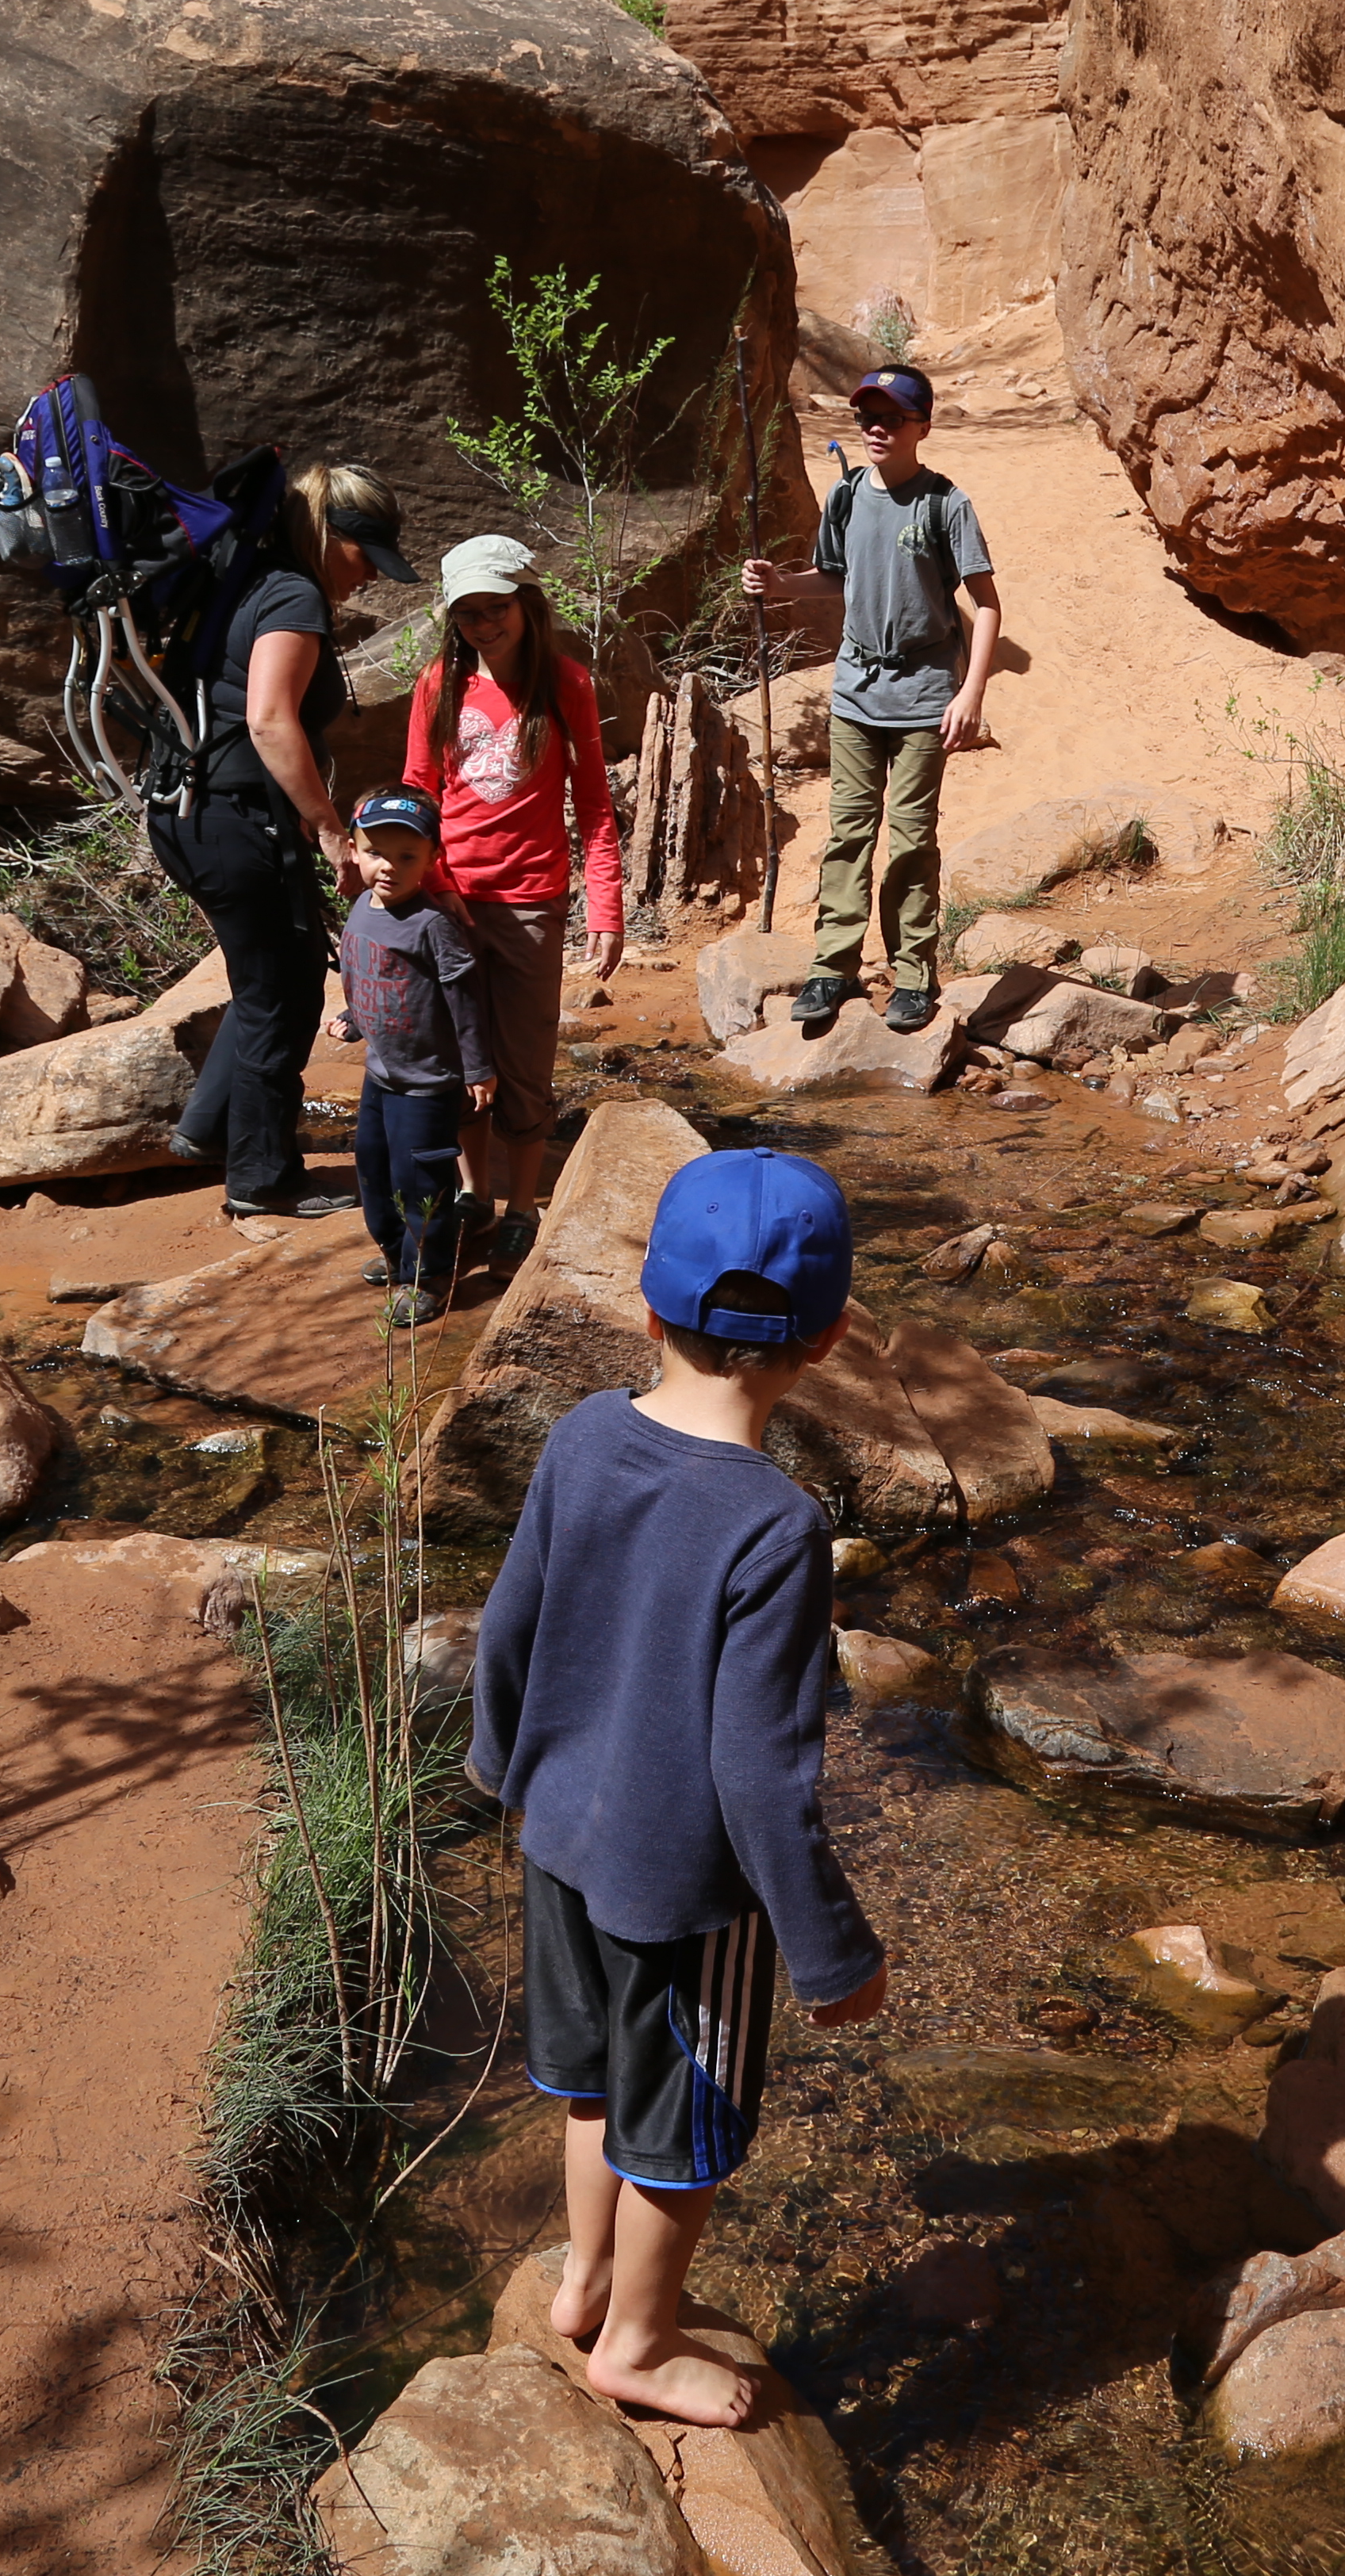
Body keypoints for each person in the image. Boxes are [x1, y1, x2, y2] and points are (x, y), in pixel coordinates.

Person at [466, 1149, 891, 2428]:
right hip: (683, 1890)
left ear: (648, 1310)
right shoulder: (774, 1523)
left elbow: (509, 1623)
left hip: (558, 1831)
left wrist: (505, 1769)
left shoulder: (587, 1434)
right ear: (824, 1339)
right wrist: (828, 1952)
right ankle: (637, 2344)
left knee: (594, 2082)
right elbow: (762, 1768)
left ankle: (585, 2279)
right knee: (684, 2124)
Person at [158, 461, 415, 1219]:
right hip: (234, 816)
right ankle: (263, 1180)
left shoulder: (247, 579)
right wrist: (334, 834)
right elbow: (271, 722)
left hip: (188, 811)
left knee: (273, 971)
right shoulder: (293, 594)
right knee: (284, 995)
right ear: (332, 536)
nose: (369, 578)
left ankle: (209, 1131)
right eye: (365, 557)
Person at [741, 366, 1001, 1035]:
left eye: (891, 417)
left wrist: (970, 693)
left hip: (923, 696)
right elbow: (832, 577)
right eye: (867, 417)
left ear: (923, 426)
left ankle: (914, 975)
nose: (876, 428)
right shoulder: (848, 494)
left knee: (912, 839)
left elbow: (987, 604)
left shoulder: (947, 504)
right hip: (856, 694)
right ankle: (833, 967)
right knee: (848, 834)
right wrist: (779, 586)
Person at [405, 534, 623, 1267]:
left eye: (495, 608)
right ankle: (476, 1193)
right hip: (451, 898)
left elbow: (592, 803)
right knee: (465, 1055)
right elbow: (418, 793)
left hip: (531, 899)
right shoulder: (440, 682)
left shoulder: (565, 684)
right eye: (467, 613)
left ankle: (524, 1202)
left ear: (527, 605)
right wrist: (427, 883)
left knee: (524, 1060)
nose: (482, 624)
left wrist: (606, 906)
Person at [337, 783, 491, 1328]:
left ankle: (427, 1277)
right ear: (353, 850)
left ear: (432, 859)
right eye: (376, 852)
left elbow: (464, 998)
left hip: (426, 1081)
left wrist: (477, 1066)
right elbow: (365, 972)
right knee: (374, 1169)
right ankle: (395, 1254)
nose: (389, 868)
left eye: (407, 857)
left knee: (422, 1182)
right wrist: (356, 1018)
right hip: (381, 1073)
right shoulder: (361, 907)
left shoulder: (431, 925)